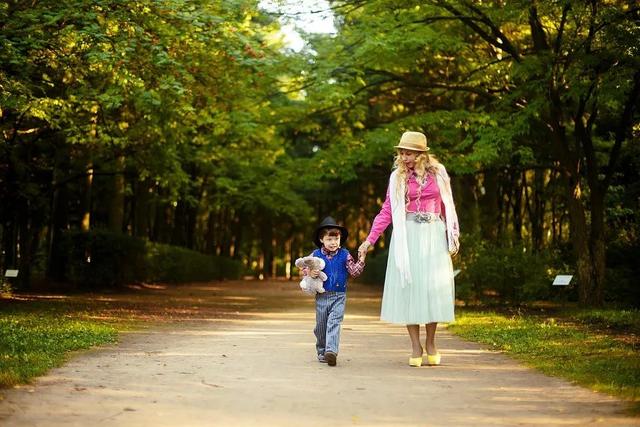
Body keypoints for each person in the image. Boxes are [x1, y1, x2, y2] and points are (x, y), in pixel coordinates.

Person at [358, 131, 459, 367]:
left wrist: (452, 234)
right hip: (409, 234)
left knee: (432, 288)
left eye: (409, 152)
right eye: (401, 152)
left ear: (421, 153)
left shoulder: (439, 173)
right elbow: (387, 211)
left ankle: (431, 342)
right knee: (410, 288)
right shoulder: (397, 178)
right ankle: (416, 345)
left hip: (434, 233)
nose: (404, 156)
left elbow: (447, 205)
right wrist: (369, 240)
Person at [300, 216, 365, 367]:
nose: (334, 242)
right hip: (322, 295)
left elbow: (354, 272)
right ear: (322, 239)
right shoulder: (315, 255)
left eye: (337, 239)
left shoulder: (345, 254)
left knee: (334, 322)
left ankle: (331, 351)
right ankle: (322, 350)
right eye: (330, 239)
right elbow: (303, 267)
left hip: (339, 296)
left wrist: (361, 259)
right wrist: (309, 273)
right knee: (321, 326)